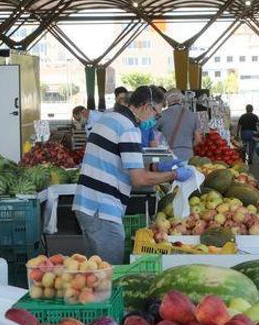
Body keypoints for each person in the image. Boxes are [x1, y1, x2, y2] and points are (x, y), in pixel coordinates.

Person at [74, 85, 193, 264]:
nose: (155, 119)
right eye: (156, 113)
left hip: (87, 204)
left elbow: (118, 159)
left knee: (95, 269)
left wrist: (157, 167)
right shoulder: (129, 129)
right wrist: (174, 175)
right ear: (146, 106)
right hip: (103, 209)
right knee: (109, 272)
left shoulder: (109, 118)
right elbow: (139, 179)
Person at [156, 89, 202, 160]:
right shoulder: (193, 116)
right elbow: (198, 140)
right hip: (188, 155)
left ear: (167, 100)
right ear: (181, 99)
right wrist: (186, 146)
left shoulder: (160, 116)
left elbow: (153, 137)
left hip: (168, 155)